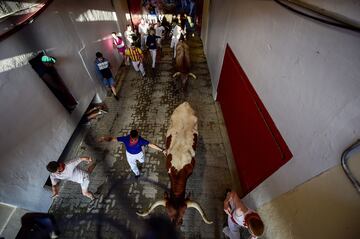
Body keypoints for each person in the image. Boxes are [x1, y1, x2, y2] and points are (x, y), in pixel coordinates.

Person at [99, 130, 165, 177]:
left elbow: (111, 139)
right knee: (132, 165)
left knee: (142, 161)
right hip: (130, 155)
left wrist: (162, 150)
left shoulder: (137, 140)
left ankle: (141, 163)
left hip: (139, 153)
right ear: (136, 135)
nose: (134, 140)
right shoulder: (130, 139)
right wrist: (104, 138)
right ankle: (137, 174)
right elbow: (112, 139)